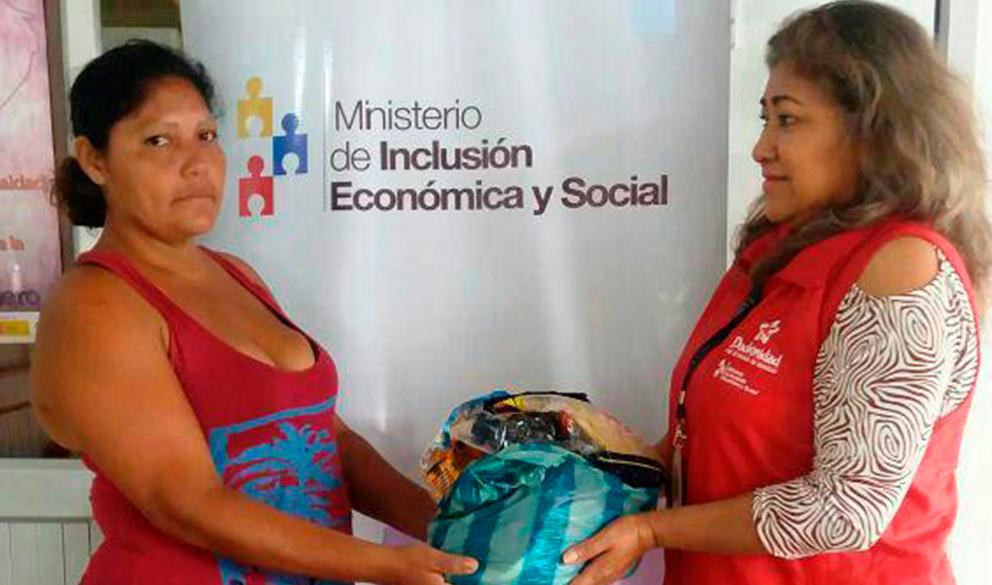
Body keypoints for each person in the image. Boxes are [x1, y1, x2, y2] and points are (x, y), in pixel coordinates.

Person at [563, 2, 990, 584]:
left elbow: (846, 508)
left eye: (787, 120)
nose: (761, 148)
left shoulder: (901, 269)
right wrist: (604, 475)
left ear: (874, 131)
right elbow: (708, 432)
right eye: (765, 119)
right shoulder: (779, 245)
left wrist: (652, 530)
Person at [30, 40, 477, 585]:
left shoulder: (236, 274)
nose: (196, 163)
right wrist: (384, 564)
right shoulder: (93, 304)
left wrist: (451, 530)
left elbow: (327, 440)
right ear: (95, 160)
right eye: (158, 140)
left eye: (206, 136)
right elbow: (184, 501)